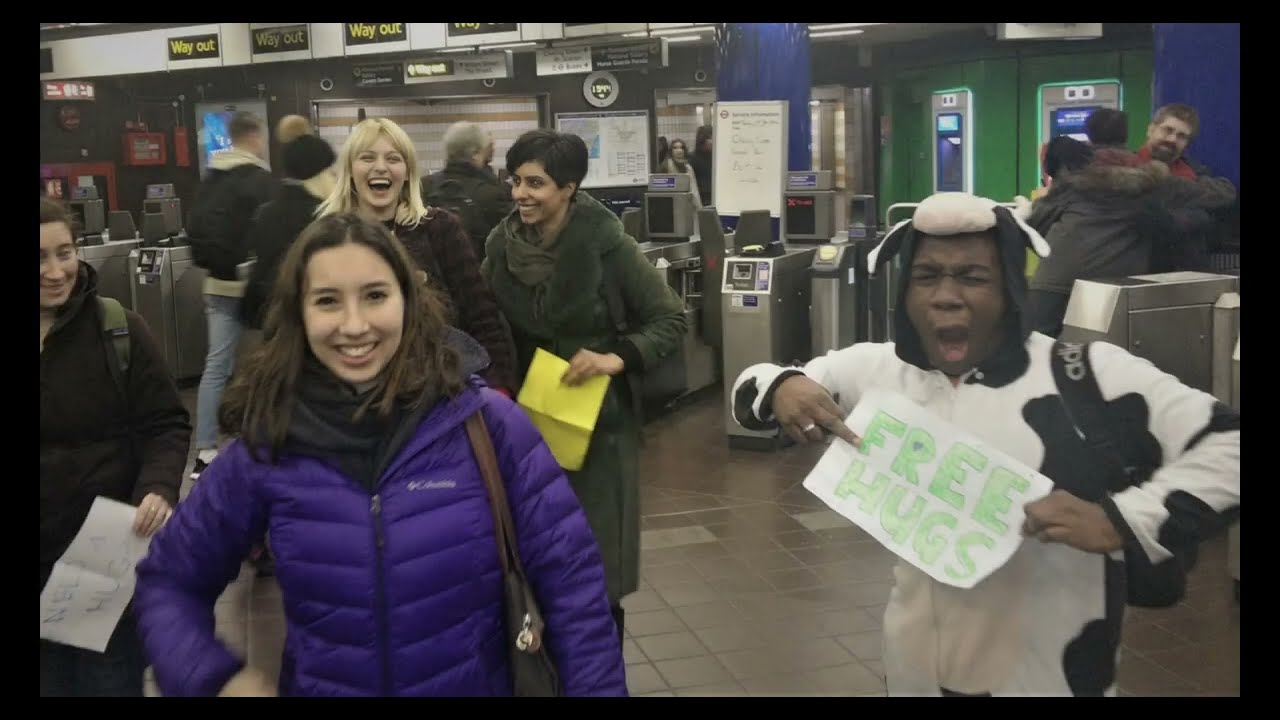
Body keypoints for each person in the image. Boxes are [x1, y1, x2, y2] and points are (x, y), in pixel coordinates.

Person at [731, 191, 1239, 696]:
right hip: (913, 678)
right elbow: (750, 388)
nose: (946, 295)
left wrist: (1125, 519)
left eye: (972, 276)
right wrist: (783, 386)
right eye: (926, 276)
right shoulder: (877, 371)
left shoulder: (1088, 378)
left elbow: (1231, 444)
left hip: (1050, 682)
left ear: (1010, 287)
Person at [132, 213, 628, 697]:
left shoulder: (485, 425)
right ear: (299, 314)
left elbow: (574, 588)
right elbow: (168, 580)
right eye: (327, 301)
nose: (354, 326)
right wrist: (212, 678)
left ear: (408, 300)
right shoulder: (270, 447)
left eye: (375, 296)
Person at [481, 129, 688, 639]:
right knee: (532, 561)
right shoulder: (500, 246)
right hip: (523, 424)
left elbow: (669, 319)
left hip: (596, 429)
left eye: (535, 183)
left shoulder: (606, 243)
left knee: (594, 569)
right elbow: (482, 319)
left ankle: (600, 666)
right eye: (516, 181)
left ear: (569, 188)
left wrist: (614, 357)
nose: (520, 194)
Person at [40, 196, 191, 696]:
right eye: (40, 258)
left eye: (65, 252)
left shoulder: (117, 327)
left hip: (102, 558)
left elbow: (166, 422)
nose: (56, 271)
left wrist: (157, 488)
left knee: (108, 682)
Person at [318, 117, 516, 395]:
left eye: (393, 158)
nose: (380, 167)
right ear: (349, 170)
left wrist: (499, 388)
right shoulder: (325, 238)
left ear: (408, 171)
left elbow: (482, 317)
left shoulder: (439, 229)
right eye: (367, 157)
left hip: (436, 391)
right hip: (350, 395)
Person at [187, 110, 278, 480]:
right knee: (272, 362)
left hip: (217, 285)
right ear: (255, 137)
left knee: (216, 366)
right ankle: (268, 443)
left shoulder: (209, 179)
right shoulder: (261, 180)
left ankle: (205, 450)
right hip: (257, 289)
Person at [420, 120, 513, 262]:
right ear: (475, 154)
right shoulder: (491, 193)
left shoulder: (424, 186)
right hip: (476, 271)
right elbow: (507, 245)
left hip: (432, 271)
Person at [657, 138, 702, 208]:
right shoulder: (665, 166)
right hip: (669, 206)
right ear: (671, 151)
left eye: (681, 148)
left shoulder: (688, 168)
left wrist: (699, 208)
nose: (679, 151)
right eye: (675, 148)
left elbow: (694, 189)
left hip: (686, 205)